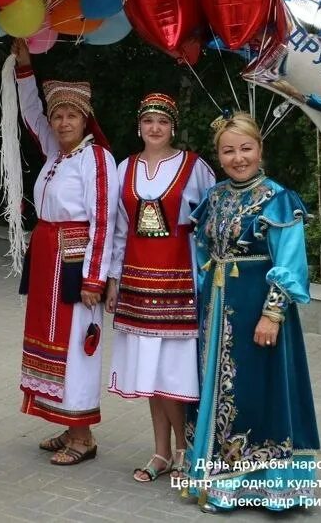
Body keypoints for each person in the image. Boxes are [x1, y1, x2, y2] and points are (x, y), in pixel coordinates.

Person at [183, 111, 319, 512]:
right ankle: (219, 483)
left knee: (259, 394)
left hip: (258, 311)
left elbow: (292, 262)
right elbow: (202, 253)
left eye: (246, 148)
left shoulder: (280, 199)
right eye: (228, 151)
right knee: (219, 392)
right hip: (218, 312)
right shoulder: (215, 197)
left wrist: (272, 314)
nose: (238, 158)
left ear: (260, 149)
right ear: (218, 155)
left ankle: (273, 488)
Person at [13, 38, 117, 465]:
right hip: (48, 260)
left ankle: (83, 437)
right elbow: (30, 114)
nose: (61, 122)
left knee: (77, 343)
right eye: (58, 115)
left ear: (85, 119)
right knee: (53, 341)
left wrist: (96, 277)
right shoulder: (57, 155)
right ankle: (68, 422)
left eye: (71, 114)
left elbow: (105, 219)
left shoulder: (95, 159)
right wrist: (24, 68)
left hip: (76, 264)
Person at [105, 93, 215, 482]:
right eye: (149, 121)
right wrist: (112, 279)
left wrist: (209, 277)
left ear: (173, 127)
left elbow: (211, 223)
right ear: (140, 126)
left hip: (178, 281)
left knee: (174, 374)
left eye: (163, 122)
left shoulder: (194, 166)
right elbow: (118, 230)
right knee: (150, 374)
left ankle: (186, 450)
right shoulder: (125, 167)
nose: (155, 128)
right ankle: (161, 452)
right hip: (136, 280)